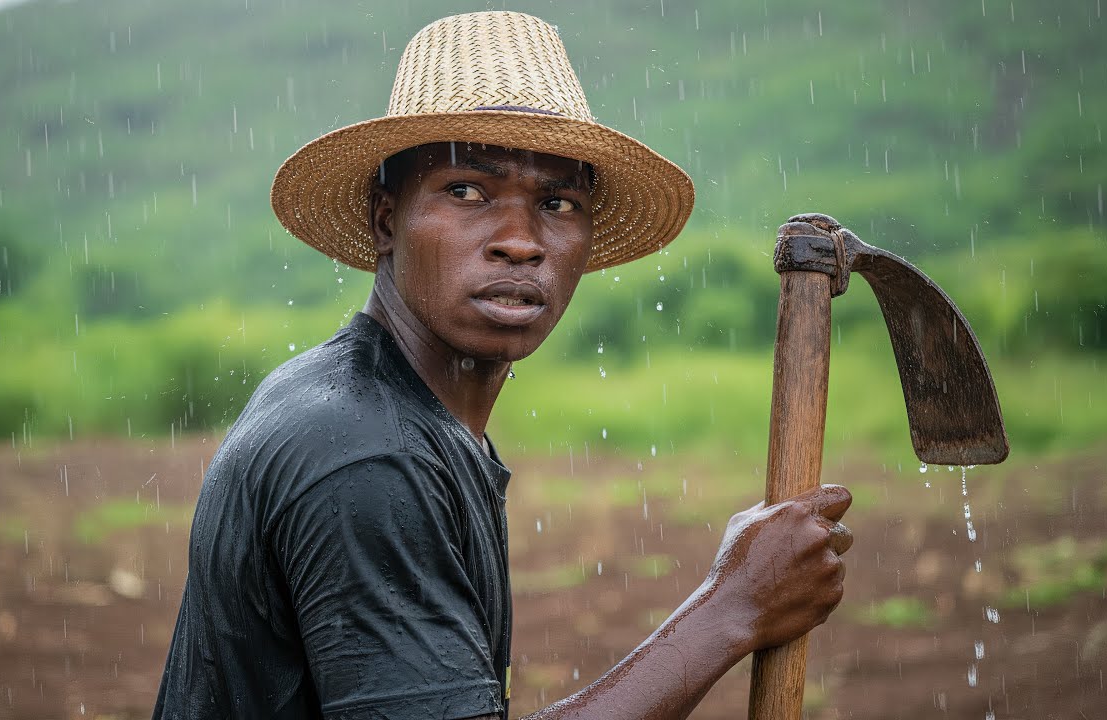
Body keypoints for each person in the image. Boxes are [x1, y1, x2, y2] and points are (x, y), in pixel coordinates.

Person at [153, 11, 852, 720]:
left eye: (556, 202)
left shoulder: (380, 409)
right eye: (466, 191)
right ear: (385, 220)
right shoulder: (364, 456)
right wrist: (727, 612)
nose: (520, 241)